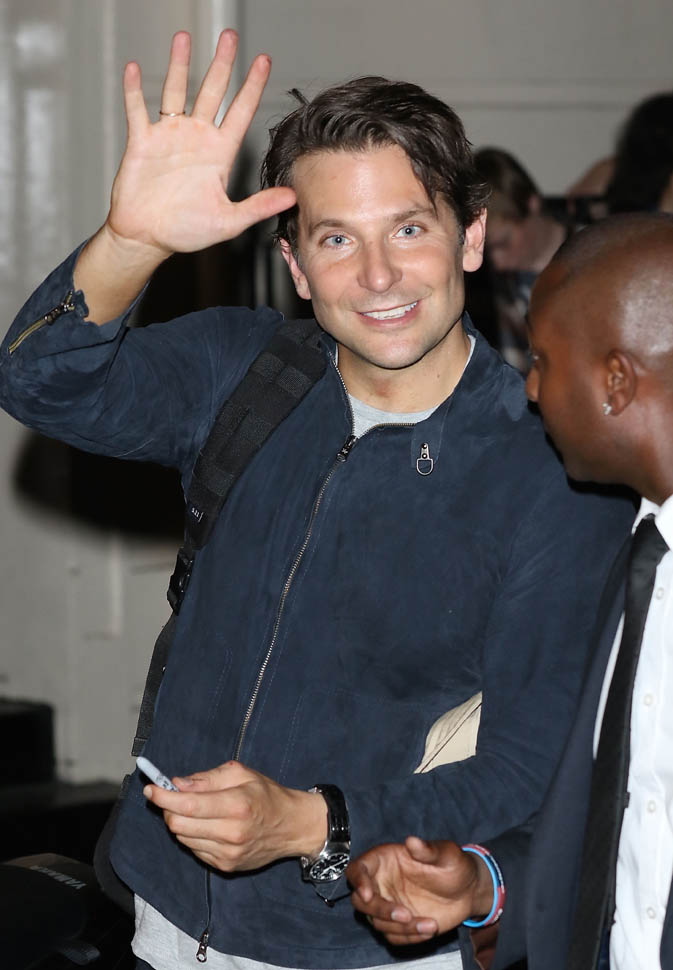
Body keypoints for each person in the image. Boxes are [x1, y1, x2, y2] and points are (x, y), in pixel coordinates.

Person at [0, 29, 634, 970]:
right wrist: (131, 244)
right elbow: (40, 381)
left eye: (408, 229)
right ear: (296, 266)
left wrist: (309, 821)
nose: (377, 277)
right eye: (337, 239)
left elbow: (524, 776)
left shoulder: (550, 469)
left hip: (357, 945)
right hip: (160, 913)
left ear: (470, 236)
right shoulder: (248, 370)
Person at [347, 211, 673, 970]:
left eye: (544, 360)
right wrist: (483, 885)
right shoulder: (637, 562)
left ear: (615, 382)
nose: (529, 390)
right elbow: (628, 830)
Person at [470, 148, 567, 372]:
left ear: (532, 205)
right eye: (488, 250)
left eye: (504, 243)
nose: (498, 262)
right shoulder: (494, 283)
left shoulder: (593, 258)